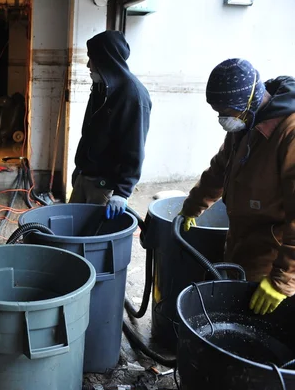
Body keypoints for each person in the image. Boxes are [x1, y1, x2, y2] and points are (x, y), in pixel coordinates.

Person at [179, 58, 295, 315]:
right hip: (242, 241)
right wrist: (192, 206)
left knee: (260, 333)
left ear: (250, 101)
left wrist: (282, 281)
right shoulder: (246, 122)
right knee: (233, 317)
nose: (222, 118)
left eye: (226, 111)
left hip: (272, 258)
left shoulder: (289, 133)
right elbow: (220, 169)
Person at [70, 30, 151, 220]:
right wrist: (80, 169)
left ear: (107, 59)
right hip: (85, 178)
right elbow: (89, 134)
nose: (89, 65)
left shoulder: (132, 96)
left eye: (92, 59)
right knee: (71, 232)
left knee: (92, 241)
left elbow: (134, 147)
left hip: (104, 187)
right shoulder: (101, 88)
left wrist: (122, 192)